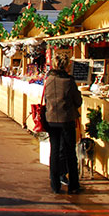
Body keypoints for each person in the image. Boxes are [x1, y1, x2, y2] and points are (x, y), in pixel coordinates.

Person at [44, 53, 83, 194]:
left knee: (54, 151)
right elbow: (78, 101)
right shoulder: (69, 81)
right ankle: (74, 185)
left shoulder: (48, 79)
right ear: (66, 66)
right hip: (66, 120)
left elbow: (46, 99)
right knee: (70, 152)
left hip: (51, 119)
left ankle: (55, 184)